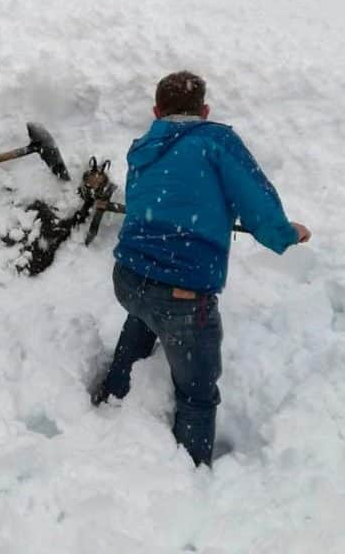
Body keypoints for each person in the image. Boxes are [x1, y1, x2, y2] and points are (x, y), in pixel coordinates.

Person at [90, 71, 311, 467]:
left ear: (157, 111)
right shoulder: (216, 141)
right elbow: (254, 199)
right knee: (197, 392)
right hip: (183, 295)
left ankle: (110, 399)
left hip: (128, 276)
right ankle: (190, 473)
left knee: (142, 315)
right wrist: (284, 233)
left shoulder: (142, 147)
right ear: (205, 111)